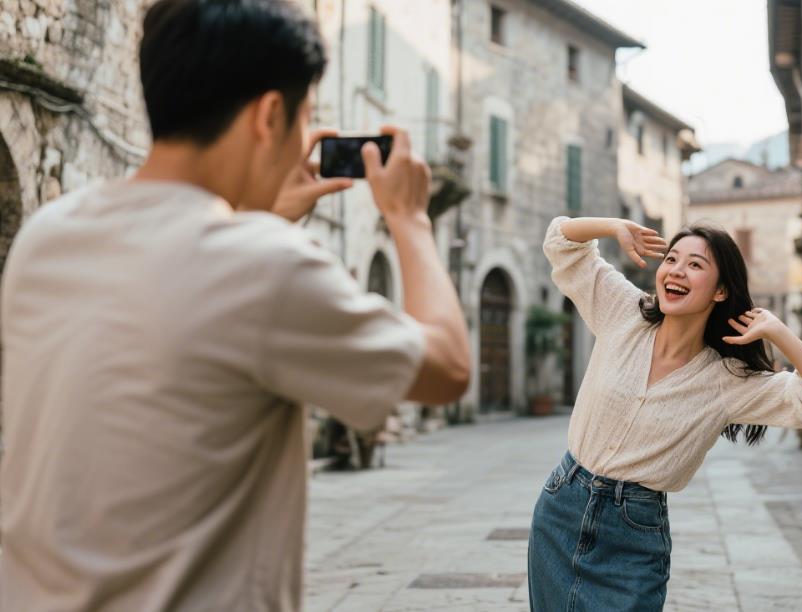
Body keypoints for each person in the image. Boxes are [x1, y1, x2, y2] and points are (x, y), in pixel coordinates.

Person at [0, 1, 469, 609]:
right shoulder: (263, 265)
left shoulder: (48, 235)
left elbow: (179, 279)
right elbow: (448, 368)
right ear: (270, 114)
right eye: (306, 116)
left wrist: (263, 213)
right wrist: (410, 220)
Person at [527, 216, 802, 611]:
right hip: (562, 506)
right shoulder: (623, 313)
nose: (676, 270)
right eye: (672, 259)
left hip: (635, 530)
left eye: (695, 265)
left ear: (720, 291)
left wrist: (779, 332)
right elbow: (561, 242)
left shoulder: (728, 379)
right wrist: (612, 226)